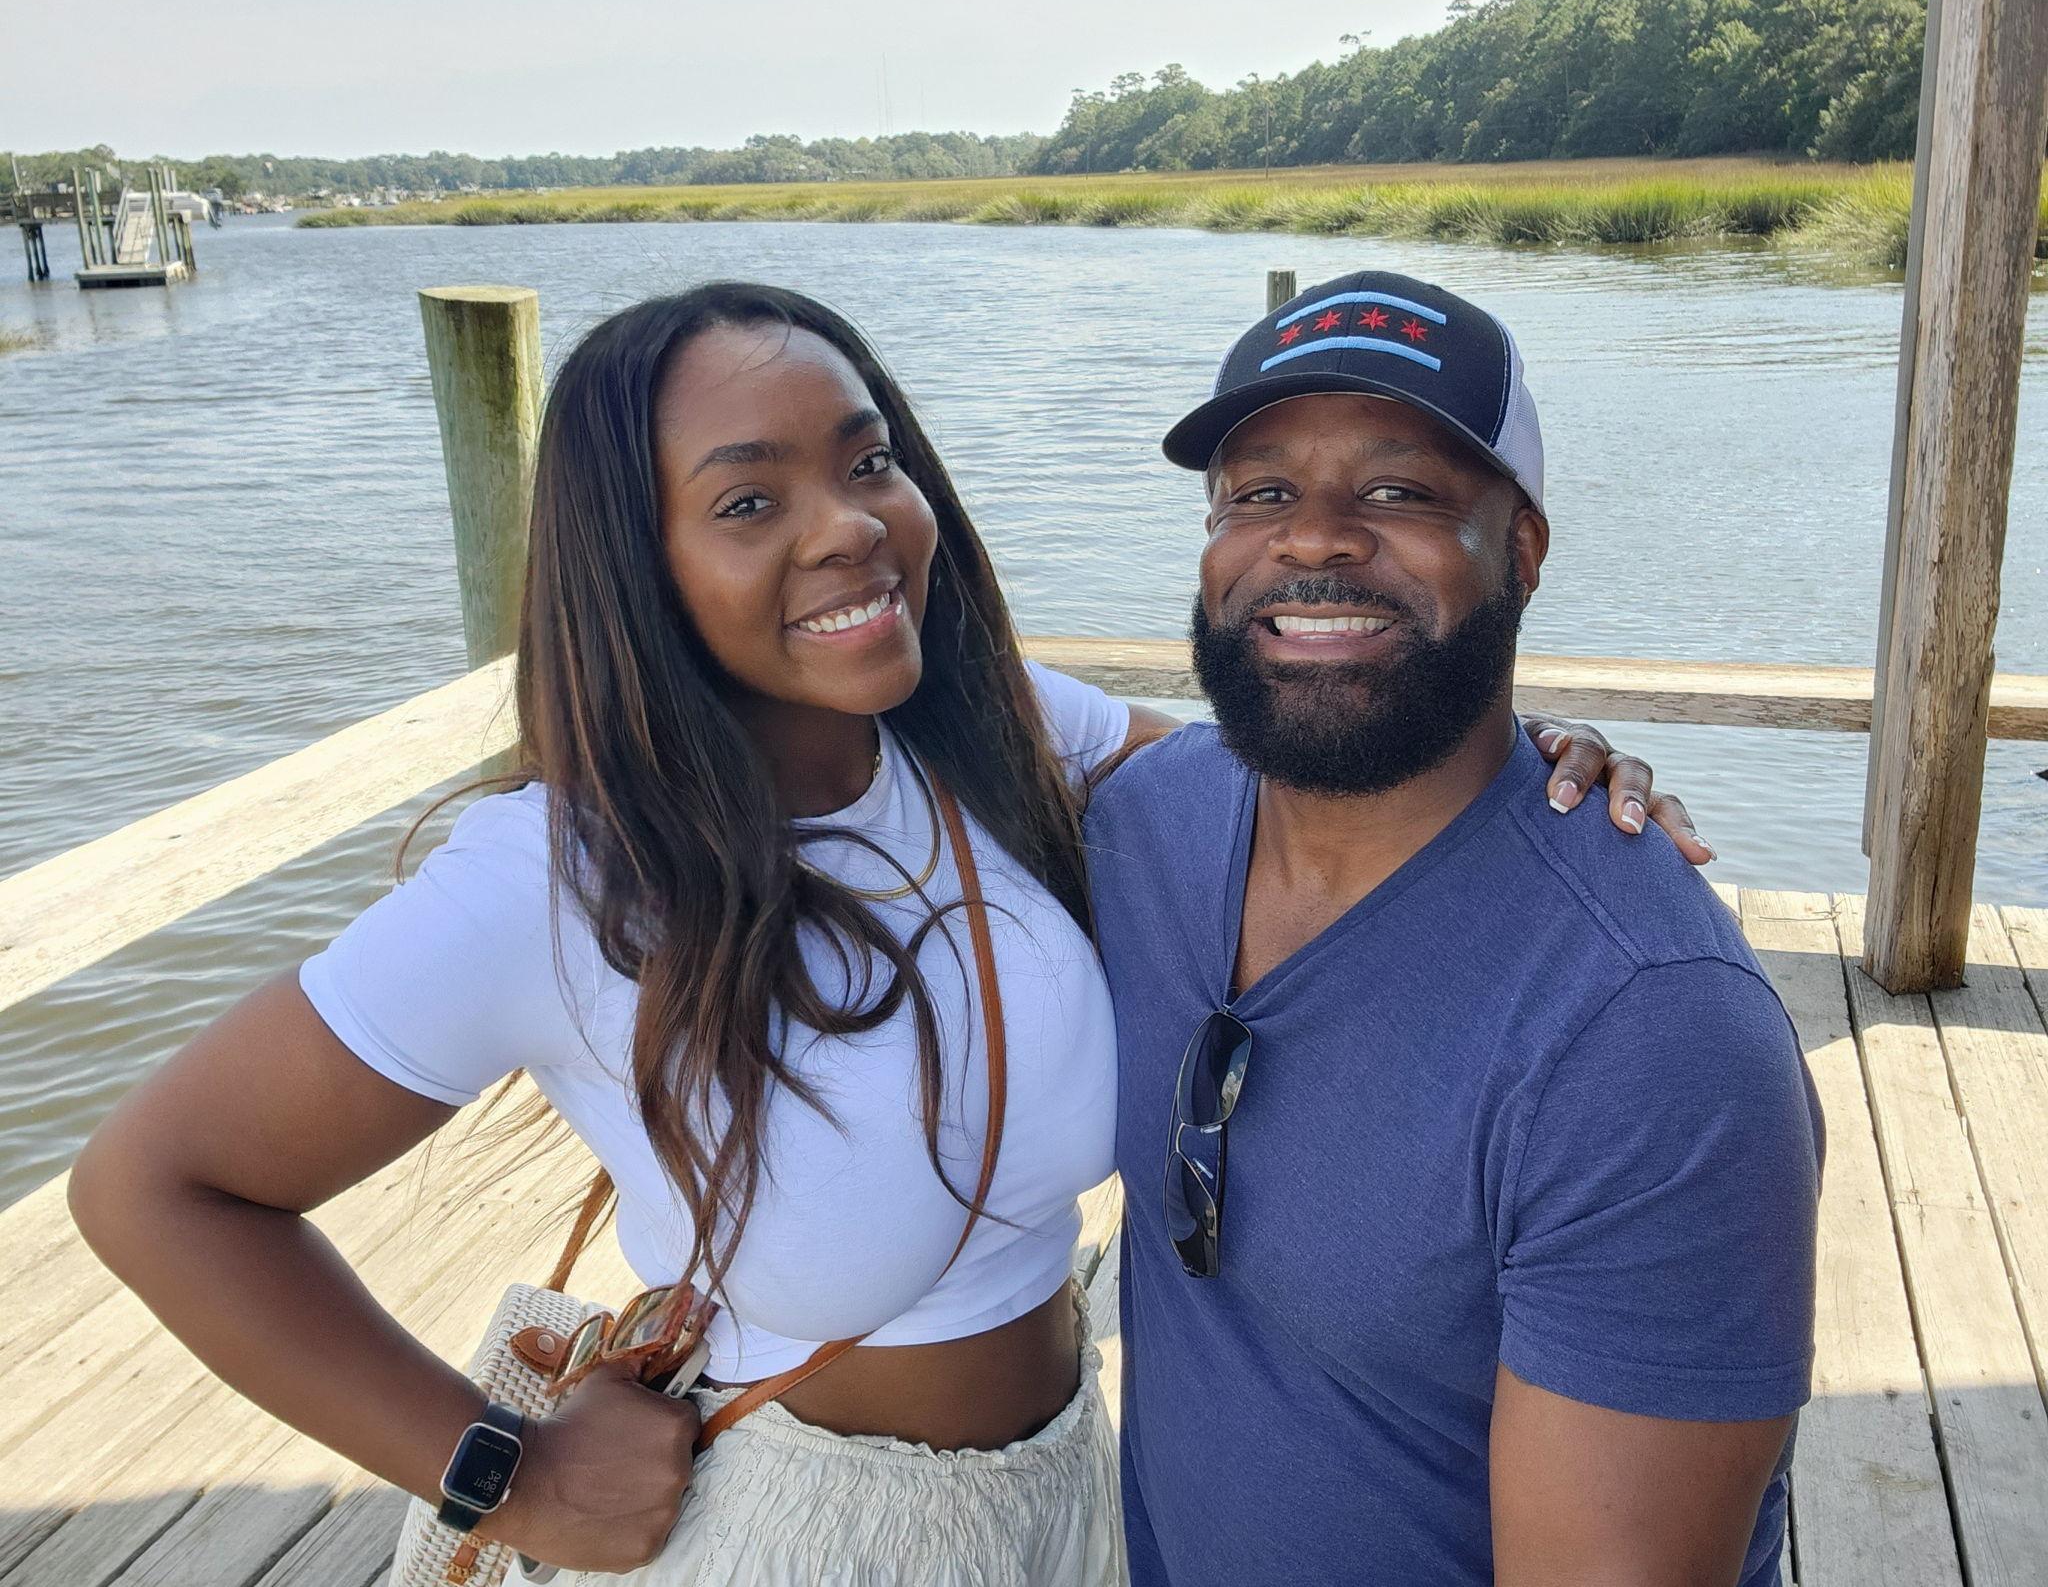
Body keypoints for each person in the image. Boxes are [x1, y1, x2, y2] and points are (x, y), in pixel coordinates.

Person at [69, 281, 1688, 1586]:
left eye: (866, 461)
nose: (845, 527)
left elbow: (1315, 749)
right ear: (640, 565)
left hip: (1077, 1499)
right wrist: (501, 1470)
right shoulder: (563, 879)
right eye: (748, 500)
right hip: (799, 1529)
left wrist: (1535, 761)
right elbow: (156, 1188)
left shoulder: (991, 731)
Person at [1087, 268, 1824, 1587]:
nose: (1310, 539)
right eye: (1259, 492)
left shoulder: (1650, 1039)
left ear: (1522, 549)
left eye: (1399, 492)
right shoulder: (1142, 827)